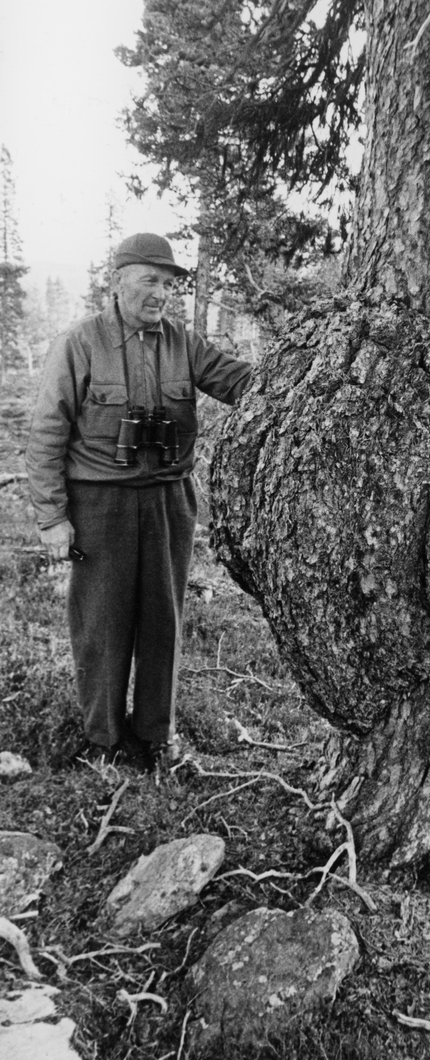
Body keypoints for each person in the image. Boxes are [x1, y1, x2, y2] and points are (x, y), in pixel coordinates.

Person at [25, 233, 252, 769]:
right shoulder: (79, 343)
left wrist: (308, 369)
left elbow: (241, 382)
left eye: (168, 285)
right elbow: (46, 435)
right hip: (99, 503)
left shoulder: (182, 342)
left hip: (170, 501)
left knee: (163, 620)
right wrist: (53, 519)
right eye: (150, 280)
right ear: (118, 281)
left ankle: (155, 736)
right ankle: (103, 739)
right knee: (101, 623)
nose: (160, 294)